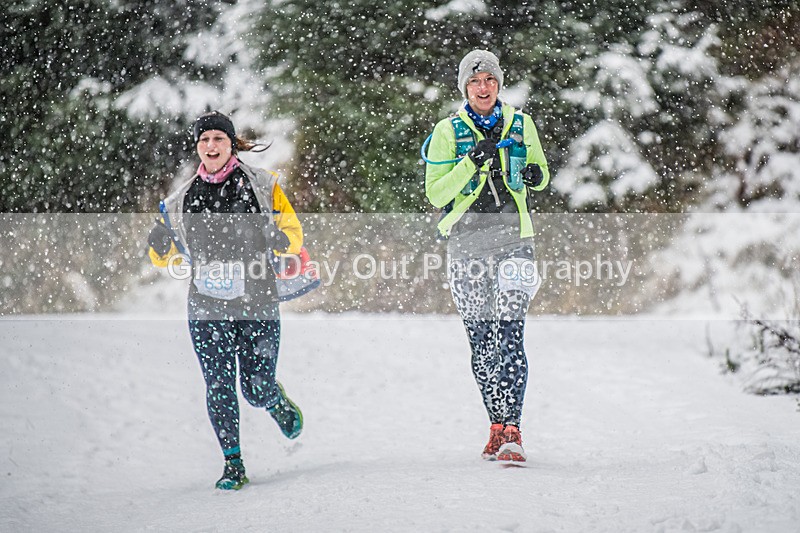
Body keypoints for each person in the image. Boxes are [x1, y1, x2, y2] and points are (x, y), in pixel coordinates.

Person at [147, 111, 309, 490]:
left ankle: (274, 401)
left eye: (218, 138)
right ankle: (232, 463)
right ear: (197, 146)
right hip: (207, 304)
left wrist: (282, 242)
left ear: (231, 144)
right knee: (218, 385)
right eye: (204, 140)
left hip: (256, 299)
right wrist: (160, 250)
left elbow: (291, 229)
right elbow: (167, 251)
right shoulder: (182, 199)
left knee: (255, 386)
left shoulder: (261, 185)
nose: (211, 146)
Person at [424, 50, 550, 462]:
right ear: (465, 87)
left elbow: (541, 172)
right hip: (466, 243)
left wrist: (535, 175)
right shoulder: (448, 131)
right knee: (482, 342)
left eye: (490, 80)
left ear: (499, 84)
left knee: (510, 330)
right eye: (475, 81)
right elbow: (436, 193)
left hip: (515, 238)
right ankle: (496, 423)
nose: (483, 87)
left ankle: (513, 428)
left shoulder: (520, 123)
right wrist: (470, 162)